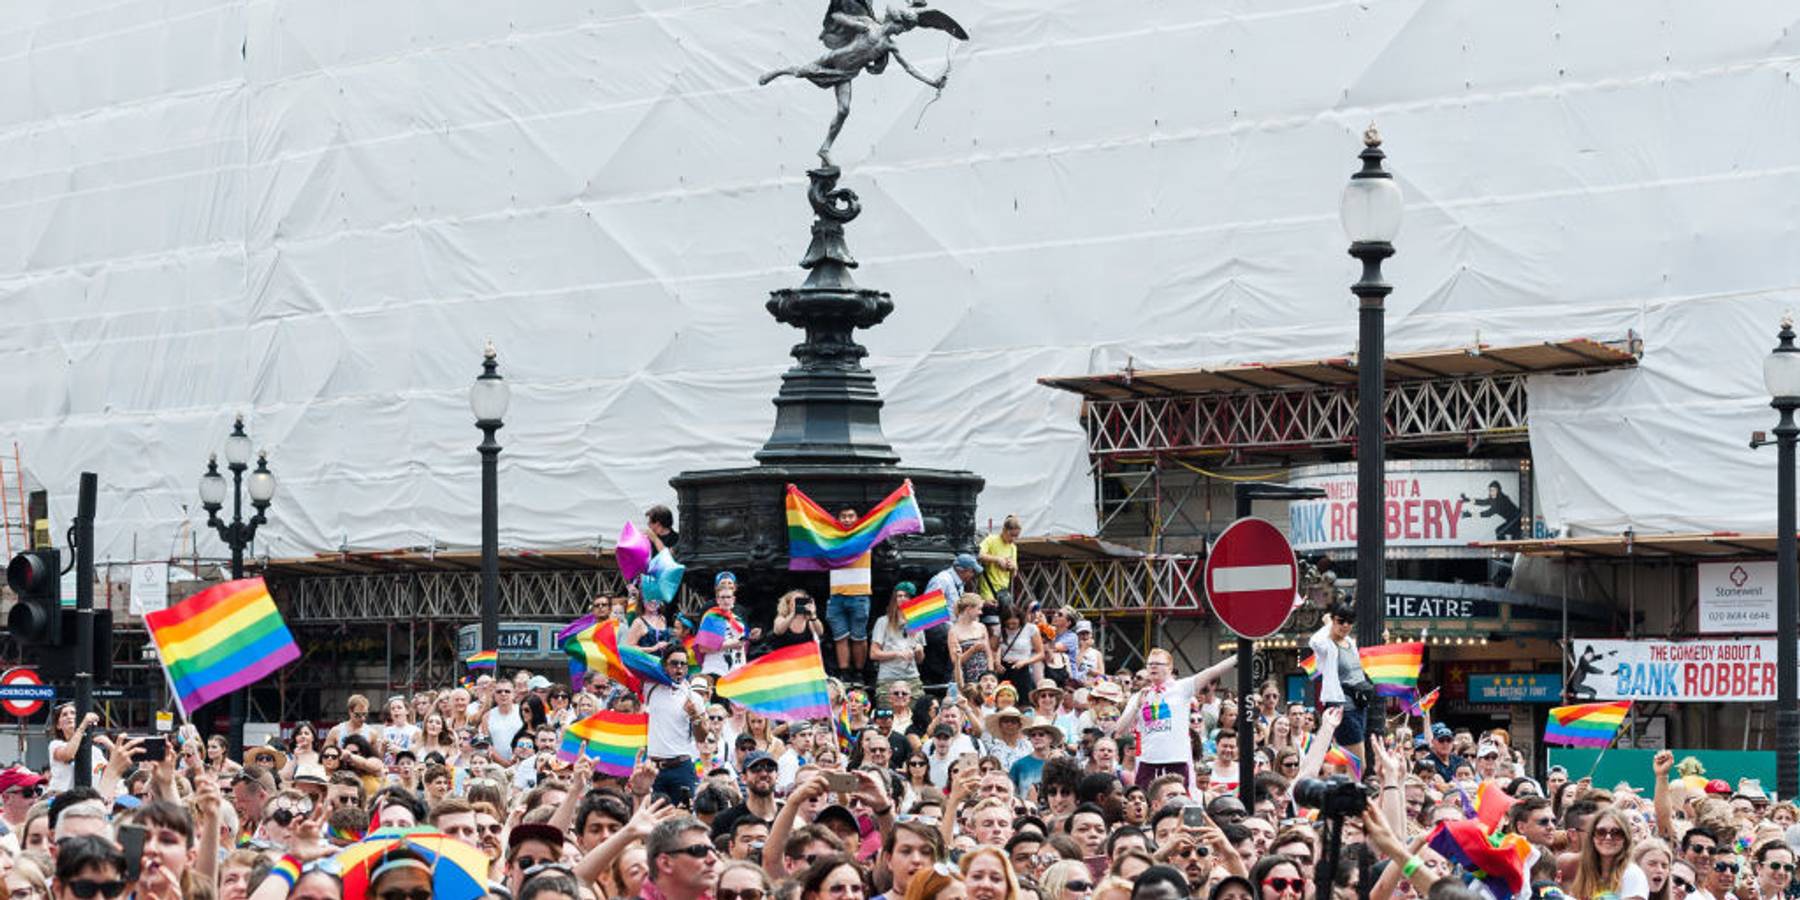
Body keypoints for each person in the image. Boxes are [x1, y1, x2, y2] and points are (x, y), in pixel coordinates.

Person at [1115, 648, 1235, 789]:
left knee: (1177, 805)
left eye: (1158, 664)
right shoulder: (1139, 696)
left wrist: (1239, 656)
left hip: (1176, 761)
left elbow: (1213, 671)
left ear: (1170, 668)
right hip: (1147, 762)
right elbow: (1119, 730)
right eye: (1150, 664)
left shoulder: (1181, 687)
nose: (1153, 666)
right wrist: (1136, 706)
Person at [645, 648, 709, 806]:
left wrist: (694, 715)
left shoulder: (694, 698)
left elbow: (701, 737)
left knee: (683, 819)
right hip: (654, 767)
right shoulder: (650, 687)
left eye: (683, 664)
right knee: (652, 820)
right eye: (674, 664)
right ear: (665, 666)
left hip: (681, 767)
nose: (679, 668)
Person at [1309, 601, 1374, 750]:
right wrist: (1328, 624)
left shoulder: (1350, 642)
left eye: (1350, 622)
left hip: (1359, 705)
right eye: (1341, 621)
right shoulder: (1327, 646)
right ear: (1333, 620)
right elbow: (1314, 642)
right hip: (1343, 708)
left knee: (1344, 761)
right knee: (1358, 765)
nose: (1345, 625)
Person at [825, 506, 876, 680]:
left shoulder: (865, 536)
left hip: (859, 594)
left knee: (859, 637)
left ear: (858, 518)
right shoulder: (832, 538)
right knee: (840, 637)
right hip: (837, 595)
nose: (847, 519)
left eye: (850, 516)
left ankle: (859, 672)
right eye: (843, 516)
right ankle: (844, 672)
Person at [1572, 807, 1649, 900]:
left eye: (1616, 832)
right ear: (1593, 837)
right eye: (1601, 832)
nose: (1608, 837)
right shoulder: (1585, 872)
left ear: (1625, 838)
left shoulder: (1633, 874)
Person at [871, 583, 927, 703]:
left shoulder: (917, 622)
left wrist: (919, 650)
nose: (902, 599)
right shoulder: (883, 622)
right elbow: (874, 654)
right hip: (888, 678)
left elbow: (920, 660)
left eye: (906, 596)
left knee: (920, 712)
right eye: (899, 596)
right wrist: (897, 654)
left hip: (911, 677)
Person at [699, 573, 755, 679]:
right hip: (716, 670)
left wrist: (749, 636)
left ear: (733, 599)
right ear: (717, 599)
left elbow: (742, 641)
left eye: (728, 597)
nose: (726, 600)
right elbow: (703, 648)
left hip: (737, 670)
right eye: (722, 597)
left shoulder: (738, 620)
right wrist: (731, 644)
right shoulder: (711, 617)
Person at [977, 516, 1023, 616]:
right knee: (992, 622)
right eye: (1011, 535)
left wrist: (1012, 567)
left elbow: (1014, 574)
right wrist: (997, 559)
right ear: (1004, 530)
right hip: (988, 591)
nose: (1013, 539)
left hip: (1004, 593)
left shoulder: (1013, 547)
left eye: (1016, 536)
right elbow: (979, 554)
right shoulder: (991, 540)